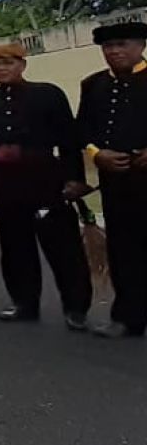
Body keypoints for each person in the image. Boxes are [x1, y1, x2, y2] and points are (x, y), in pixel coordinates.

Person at [0, 43, 90, 331]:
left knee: (64, 248)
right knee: (15, 248)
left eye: (7, 63)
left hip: (46, 183)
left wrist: (75, 179)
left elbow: (69, 140)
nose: (1, 69)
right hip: (4, 186)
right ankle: (24, 302)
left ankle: (76, 308)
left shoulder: (48, 94)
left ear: (22, 65)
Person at [78, 23, 147, 339]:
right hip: (116, 180)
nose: (115, 51)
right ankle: (128, 317)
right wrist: (96, 154)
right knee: (122, 250)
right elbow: (83, 131)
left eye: (122, 44)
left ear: (140, 45)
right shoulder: (93, 85)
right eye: (108, 47)